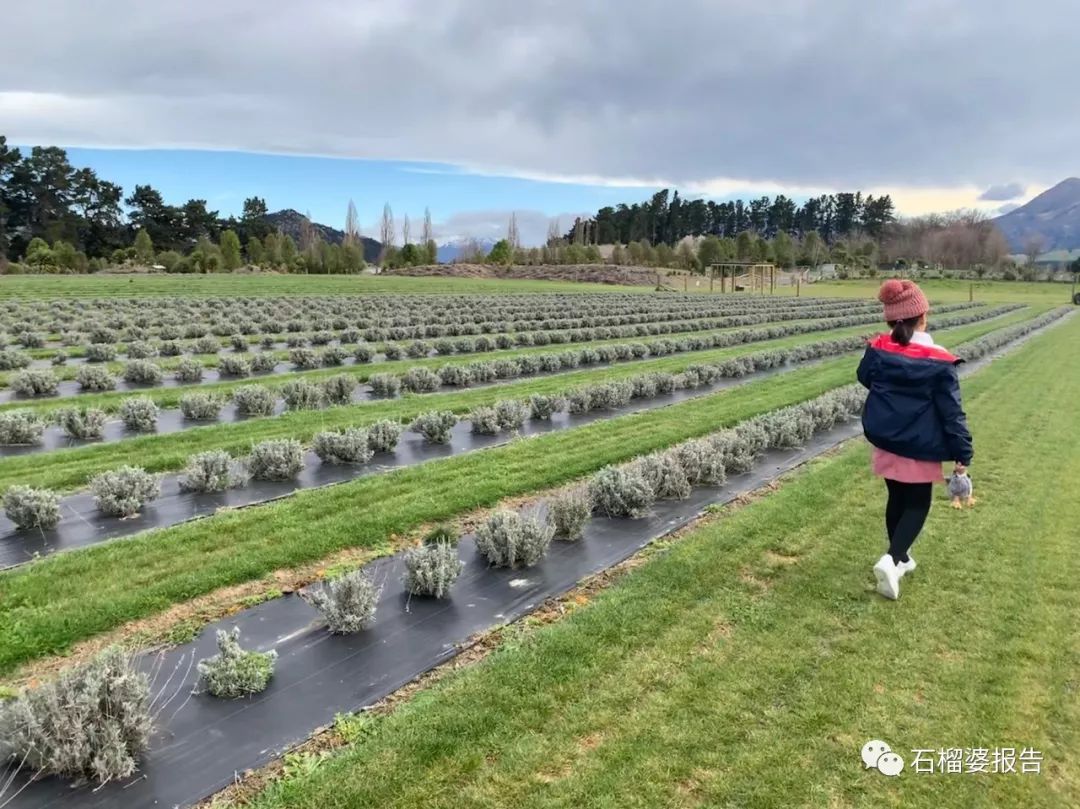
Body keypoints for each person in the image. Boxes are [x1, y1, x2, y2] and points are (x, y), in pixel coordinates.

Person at [856, 279, 973, 600]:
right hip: (919, 445)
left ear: (891, 320)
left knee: (897, 499)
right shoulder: (939, 361)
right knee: (918, 504)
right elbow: (952, 413)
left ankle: (902, 558)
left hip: (887, 441)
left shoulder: (878, 349)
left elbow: (865, 378)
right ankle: (892, 560)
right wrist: (963, 452)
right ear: (924, 316)